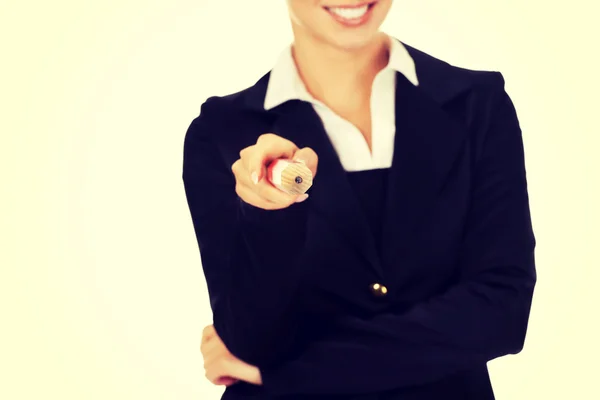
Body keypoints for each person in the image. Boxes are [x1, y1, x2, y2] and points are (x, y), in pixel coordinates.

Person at [182, 0, 537, 399]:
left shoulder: (477, 103)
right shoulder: (221, 132)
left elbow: (500, 312)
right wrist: (268, 215)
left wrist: (288, 374)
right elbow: (250, 339)